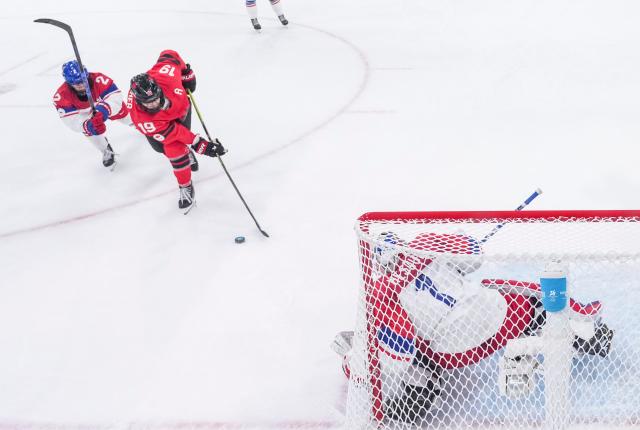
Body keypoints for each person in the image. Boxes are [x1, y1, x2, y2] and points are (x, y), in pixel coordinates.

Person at [332, 232, 614, 423]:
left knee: (416, 356)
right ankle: (589, 334)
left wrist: (354, 359)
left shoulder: (380, 293)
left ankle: (415, 400)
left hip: (454, 354)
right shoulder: (421, 247)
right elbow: (474, 255)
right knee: (526, 299)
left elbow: (398, 356)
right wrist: (443, 245)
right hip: (494, 318)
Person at [127, 50, 226, 213]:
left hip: (181, 112)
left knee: (174, 149)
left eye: (155, 99)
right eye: (148, 103)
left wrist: (187, 73)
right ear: (138, 101)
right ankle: (187, 153)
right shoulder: (142, 118)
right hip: (158, 126)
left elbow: (169, 54)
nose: (153, 104)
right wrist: (200, 144)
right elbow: (175, 132)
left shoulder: (165, 76)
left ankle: (185, 185)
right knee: (160, 147)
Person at [53, 60, 131, 170]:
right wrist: (88, 125)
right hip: (86, 114)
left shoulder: (99, 79)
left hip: (106, 106)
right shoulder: (61, 96)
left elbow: (115, 98)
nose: (80, 85)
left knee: (127, 117)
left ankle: (139, 124)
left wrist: (103, 110)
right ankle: (105, 149)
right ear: (68, 83)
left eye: (82, 80)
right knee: (89, 129)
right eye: (76, 83)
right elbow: (71, 120)